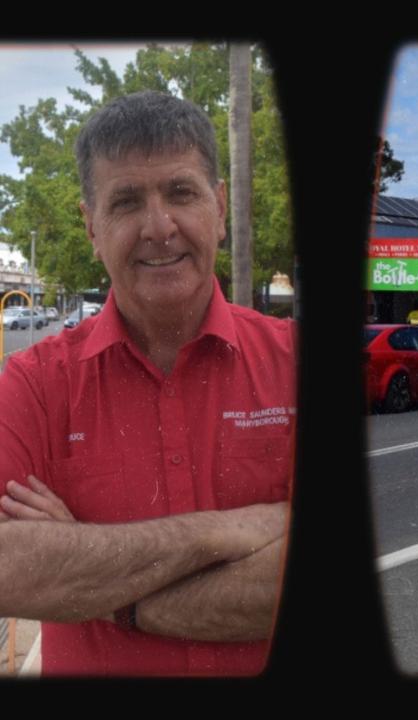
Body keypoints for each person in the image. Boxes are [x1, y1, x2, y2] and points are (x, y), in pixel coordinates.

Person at [0, 91, 294, 676]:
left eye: (181, 193)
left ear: (220, 205)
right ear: (91, 226)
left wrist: (95, 583)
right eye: (127, 201)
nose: (159, 228)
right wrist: (234, 528)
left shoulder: (293, 361)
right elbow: (9, 570)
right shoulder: (34, 383)